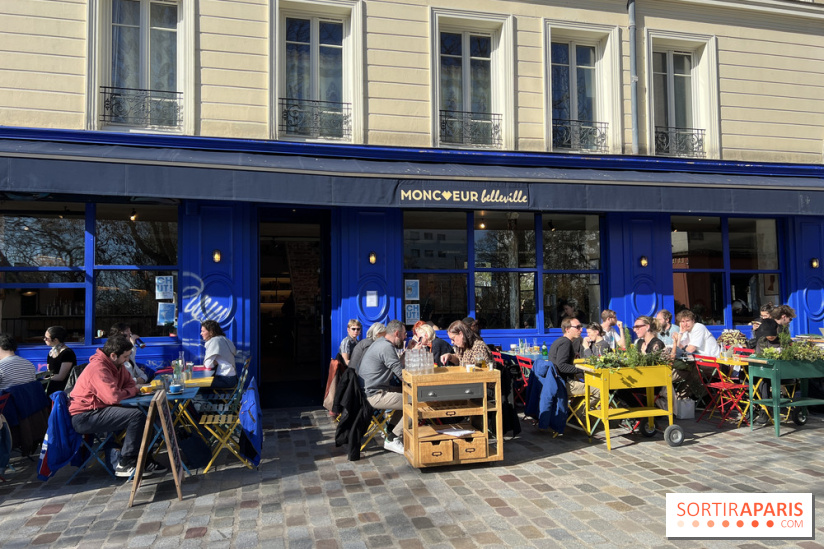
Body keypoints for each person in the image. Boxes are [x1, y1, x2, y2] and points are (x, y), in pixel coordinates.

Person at [69, 334, 167, 478]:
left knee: (149, 411)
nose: (127, 360)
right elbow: (113, 397)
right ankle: (126, 462)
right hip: (86, 416)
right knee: (137, 416)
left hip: (100, 409)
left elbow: (130, 383)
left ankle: (144, 460)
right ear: (114, 355)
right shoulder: (98, 368)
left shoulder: (117, 366)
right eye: (125, 356)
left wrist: (130, 389)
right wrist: (134, 390)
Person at [357, 320, 407, 455]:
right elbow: (402, 374)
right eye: (404, 334)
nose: (405, 337)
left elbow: (396, 365)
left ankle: (391, 432)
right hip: (374, 395)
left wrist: (409, 352)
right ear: (397, 333)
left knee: (408, 396)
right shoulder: (386, 347)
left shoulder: (380, 342)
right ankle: (393, 438)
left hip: (370, 390)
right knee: (415, 402)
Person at [547, 318, 599, 406]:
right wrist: (582, 370)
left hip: (556, 382)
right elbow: (562, 366)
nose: (581, 330)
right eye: (578, 327)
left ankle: (575, 413)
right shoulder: (566, 343)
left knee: (586, 388)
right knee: (599, 389)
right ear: (567, 329)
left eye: (581, 327)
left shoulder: (559, 341)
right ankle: (582, 415)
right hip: (564, 384)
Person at [201, 320, 238, 388]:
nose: (201, 333)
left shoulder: (214, 341)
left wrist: (214, 363)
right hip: (232, 378)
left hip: (225, 380)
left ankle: (205, 399)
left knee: (199, 386)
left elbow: (208, 365)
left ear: (211, 332)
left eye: (203, 331)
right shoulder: (224, 339)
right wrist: (215, 362)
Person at [44, 326, 77, 395]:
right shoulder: (51, 353)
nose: (44, 339)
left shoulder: (67, 353)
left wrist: (44, 380)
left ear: (55, 340)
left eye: (46, 338)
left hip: (64, 386)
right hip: (53, 382)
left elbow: (61, 377)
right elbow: (49, 372)